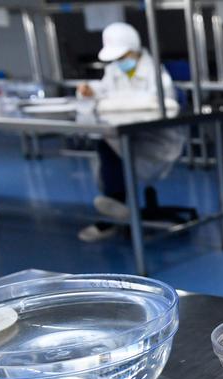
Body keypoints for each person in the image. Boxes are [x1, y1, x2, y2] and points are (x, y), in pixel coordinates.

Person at [76, 22, 184, 242]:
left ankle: (114, 209)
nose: (120, 62)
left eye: (123, 56)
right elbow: (103, 90)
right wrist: (89, 90)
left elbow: (159, 102)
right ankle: (116, 207)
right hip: (125, 137)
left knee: (109, 147)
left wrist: (112, 103)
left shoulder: (154, 73)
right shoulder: (114, 69)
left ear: (134, 49)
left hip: (155, 141)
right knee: (106, 144)